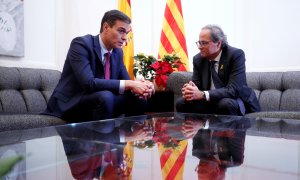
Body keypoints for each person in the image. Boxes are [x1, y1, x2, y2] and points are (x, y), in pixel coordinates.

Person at [43, 10, 155, 122]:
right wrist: (130, 84)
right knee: (106, 97)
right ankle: (101, 139)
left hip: (101, 101)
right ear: (106, 27)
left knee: (139, 98)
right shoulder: (81, 44)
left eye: (127, 32)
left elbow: (126, 81)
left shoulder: (117, 52)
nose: (125, 37)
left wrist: (142, 86)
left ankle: (130, 136)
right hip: (72, 103)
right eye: (121, 31)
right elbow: (89, 83)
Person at [176, 25, 260, 115]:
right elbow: (197, 85)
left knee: (225, 104)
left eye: (204, 43)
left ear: (218, 44)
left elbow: (233, 90)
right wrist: (190, 90)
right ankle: (196, 128)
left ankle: (227, 128)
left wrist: (203, 94)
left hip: (236, 99)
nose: (199, 47)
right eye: (199, 43)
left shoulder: (235, 55)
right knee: (181, 103)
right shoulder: (198, 59)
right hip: (210, 101)